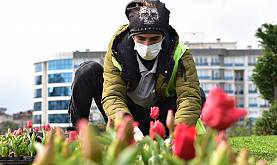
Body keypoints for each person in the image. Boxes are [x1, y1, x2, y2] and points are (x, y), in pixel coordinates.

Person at [68, 0, 205, 135]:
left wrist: (177, 135)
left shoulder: (180, 53)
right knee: (87, 71)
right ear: (132, 36)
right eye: (141, 38)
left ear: (164, 36)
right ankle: (78, 135)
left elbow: (189, 97)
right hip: (127, 111)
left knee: (197, 92)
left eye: (154, 39)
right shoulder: (117, 50)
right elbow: (112, 95)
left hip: (162, 115)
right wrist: (129, 128)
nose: (147, 45)